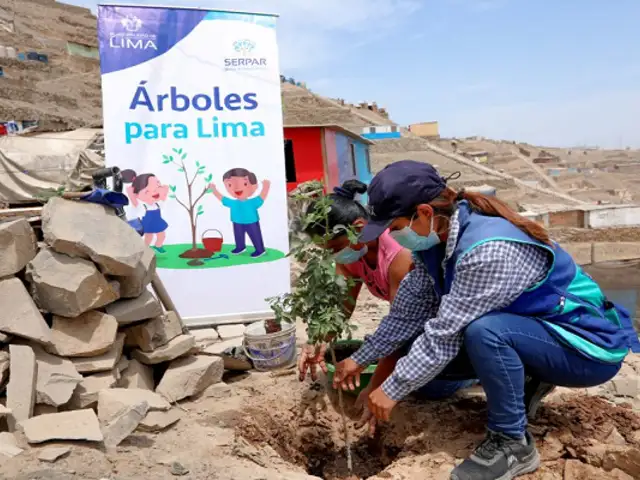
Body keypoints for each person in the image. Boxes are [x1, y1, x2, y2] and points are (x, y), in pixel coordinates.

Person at [332, 160, 636, 480]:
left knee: (484, 331)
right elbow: (407, 313)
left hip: (587, 349)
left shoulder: (486, 249)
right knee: (427, 367)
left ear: (423, 213)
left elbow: (445, 335)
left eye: (395, 228)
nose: (395, 238)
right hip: (540, 334)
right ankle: (533, 378)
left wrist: (391, 387)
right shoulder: (436, 243)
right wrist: (360, 358)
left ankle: (511, 443)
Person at [298, 179, 475, 431]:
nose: (333, 255)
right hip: (412, 324)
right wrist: (317, 339)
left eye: (335, 247)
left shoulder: (399, 256)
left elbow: (401, 328)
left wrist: (376, 386)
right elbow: (343, 306)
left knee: (429, 387)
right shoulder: (350, 254)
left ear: (358, 228)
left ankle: (474, 373)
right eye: (327, 251)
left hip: (440, 325)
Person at [209, 168, 270, 258]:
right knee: (238, 236)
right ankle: (240, 247)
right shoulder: (233, 203)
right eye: (229, 185)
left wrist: (266, 187)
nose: (237, 188)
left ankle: (260, 250)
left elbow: (262, 197)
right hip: (237, 221)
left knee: (255, 236)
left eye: (245, 184)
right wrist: (214, 190)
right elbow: (222, 198)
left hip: (251, 222)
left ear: (254, 186)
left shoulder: (252, 202)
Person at [122, 169, 169, 253]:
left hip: (157, 221)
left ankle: (158, 246)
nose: (154, 192)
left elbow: (163, 197)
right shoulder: (143, 206)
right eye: (147, 191)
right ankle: (144, 249)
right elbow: (135, 202)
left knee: (162, 235)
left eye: (157, 186)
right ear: (137, 194)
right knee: (149, 237)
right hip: (148, 223)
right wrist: (130, 192)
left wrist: (164, 189)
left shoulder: (157, 204)